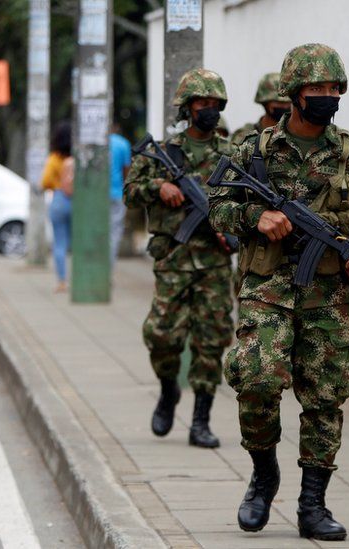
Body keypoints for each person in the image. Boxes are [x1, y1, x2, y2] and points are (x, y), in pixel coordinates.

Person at [210, 43, 349, 541]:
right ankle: (263, 474)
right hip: (267, 288)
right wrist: (255, 216)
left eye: (334, 90)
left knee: (326, 397)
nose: (328, 97)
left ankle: (313, 503)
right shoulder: (254, 150)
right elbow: (218, 207)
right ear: (294, 93)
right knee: (255, 381)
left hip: (330, 292)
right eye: (317, 89)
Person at [124, 68, 235, 450]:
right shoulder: (165, 152)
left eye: (214, 103)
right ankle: (168, 388)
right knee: (161, 334)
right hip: (173, 260)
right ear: (188, 108)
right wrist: (160, 187)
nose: (209, 109)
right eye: (202, 103)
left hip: (215, 264)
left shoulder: (229, 153)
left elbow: (245, 201)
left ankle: (200, 421)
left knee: (212, 340)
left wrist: (231, 228)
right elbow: (131, 191)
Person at [42, 121, 73, 293]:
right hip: (79, 201)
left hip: (59, 199)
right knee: (79, 243)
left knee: (59, 243)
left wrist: (56, 183)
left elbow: (45, 181)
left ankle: (62, 281)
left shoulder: (54, 159)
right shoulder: (78, 157)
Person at [229, 72, 292, 145]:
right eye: (279, 102)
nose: (285, 106)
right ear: (265, 102)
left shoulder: (297, 134)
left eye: (288, 102)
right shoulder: (245, 136)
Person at [109, 124, 132, 265]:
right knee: (114, 234)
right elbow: (126, 171)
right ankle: (108, 271)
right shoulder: (123, 143)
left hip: (97, 196)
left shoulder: (99, 142)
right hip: (116, 193)